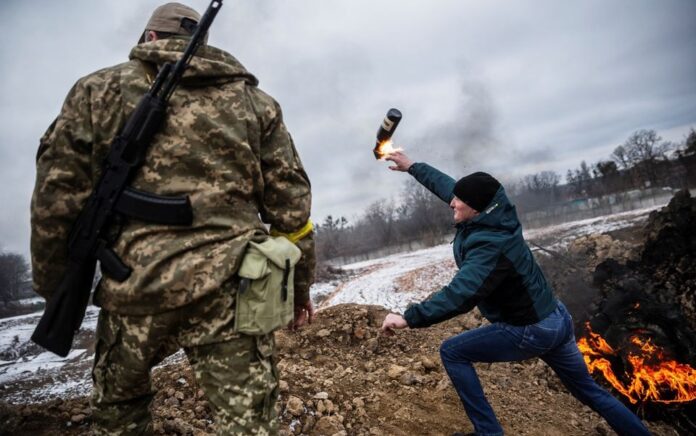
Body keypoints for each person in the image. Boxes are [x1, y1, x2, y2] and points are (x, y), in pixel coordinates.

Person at [30, 3, 315, 434]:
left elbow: (54, 206)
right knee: (250, 426)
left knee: (120, 418)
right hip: (234, 290)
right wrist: (299, 287)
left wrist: (55, 288)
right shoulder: (256, 103)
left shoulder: (95, 92)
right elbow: (292, 212)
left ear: (149, 39)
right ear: (202, 47)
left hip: (133, 289)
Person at [380, 151, 650, 436]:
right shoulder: (492, 210)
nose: (453, 203)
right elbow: (451, 187)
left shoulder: (490, 244)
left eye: (459, 201)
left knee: (453, 351)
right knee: (592, 393)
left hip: (531, 328)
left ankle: (489, 433)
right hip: (556, 318)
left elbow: (462, 294)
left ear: (476, 208)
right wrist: (412, 167)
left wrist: (409, 318)